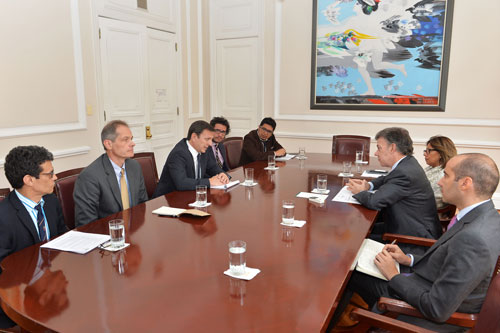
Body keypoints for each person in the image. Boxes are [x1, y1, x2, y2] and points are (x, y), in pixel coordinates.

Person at [346, 153, 500, 331]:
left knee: (347, 272)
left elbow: (437, 309)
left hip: (423, 312)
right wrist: (407, 259)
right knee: (354, 266)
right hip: (426, 281)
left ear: (466, 183)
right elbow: (450, 264)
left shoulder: (473, 239)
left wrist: (392, 275)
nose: (440, 182)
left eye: (446, 175)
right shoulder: (488, 216)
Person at [0, 145, 68, 328]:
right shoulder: (3, 217)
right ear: (29, 180)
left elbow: (62, 236)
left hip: (50, 279)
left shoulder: (51, 202)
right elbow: (3, 271)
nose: (55, 177)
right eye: (50, 174)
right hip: (19, 299)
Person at [347, 127, 441, 248]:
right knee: (357, 228)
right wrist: (369, 185)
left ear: (392, 148)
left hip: (413, 239)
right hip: (405, 224)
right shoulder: (408, 163)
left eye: (379, 148)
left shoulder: (404, 173)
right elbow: (387, 178)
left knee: (353, 238)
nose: (376, 153)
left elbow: (373, 201)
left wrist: (360, 191)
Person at [74, 120, 148, 227]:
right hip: (107, 237)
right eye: (125, 140)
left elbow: (142, 205)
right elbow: (87, 224)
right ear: (108, 144)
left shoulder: (134, 167)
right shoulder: (90, 176)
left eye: (131, 139)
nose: (132, 143)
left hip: (134, 231)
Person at [153, 120, 229, 197]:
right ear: (194, 137)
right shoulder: (178, 154)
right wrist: (209, 182)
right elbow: (181, 183)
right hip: (167, 200)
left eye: (211, 139)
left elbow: (212, 167)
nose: (210, 144)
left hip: (191, 195)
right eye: (207, 139)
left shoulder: (203, 150)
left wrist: (222, 174)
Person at [423, 135, 457, 209]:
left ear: (441, 153)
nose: (424, 154)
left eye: (429, 151)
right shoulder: (430, 168)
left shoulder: (444, 175)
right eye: (425, 150)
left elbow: (434, 202)